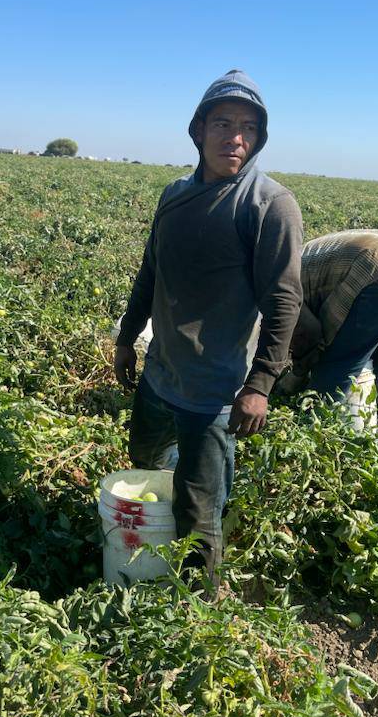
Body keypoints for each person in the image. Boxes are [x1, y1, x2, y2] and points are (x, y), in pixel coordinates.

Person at [113, 70, 303, 582]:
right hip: (161, 369)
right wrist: (127, 338)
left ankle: (199, 609)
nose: (234, 137)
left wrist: (259, 385)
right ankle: (148, 556)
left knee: (199, 513)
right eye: (222, 122)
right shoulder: (175, 194)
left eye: (247, 127)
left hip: (215, 385)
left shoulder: (268, 204)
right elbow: (151, 272)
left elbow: (285, 301)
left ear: (259, 138)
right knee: (147, 463)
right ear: (198, 130)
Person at [279, 230, 378, 404]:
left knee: (339, 363)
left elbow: (309, 332)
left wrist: (298, 374)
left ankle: (321, 422)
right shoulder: (293, 260)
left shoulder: (278, 285)